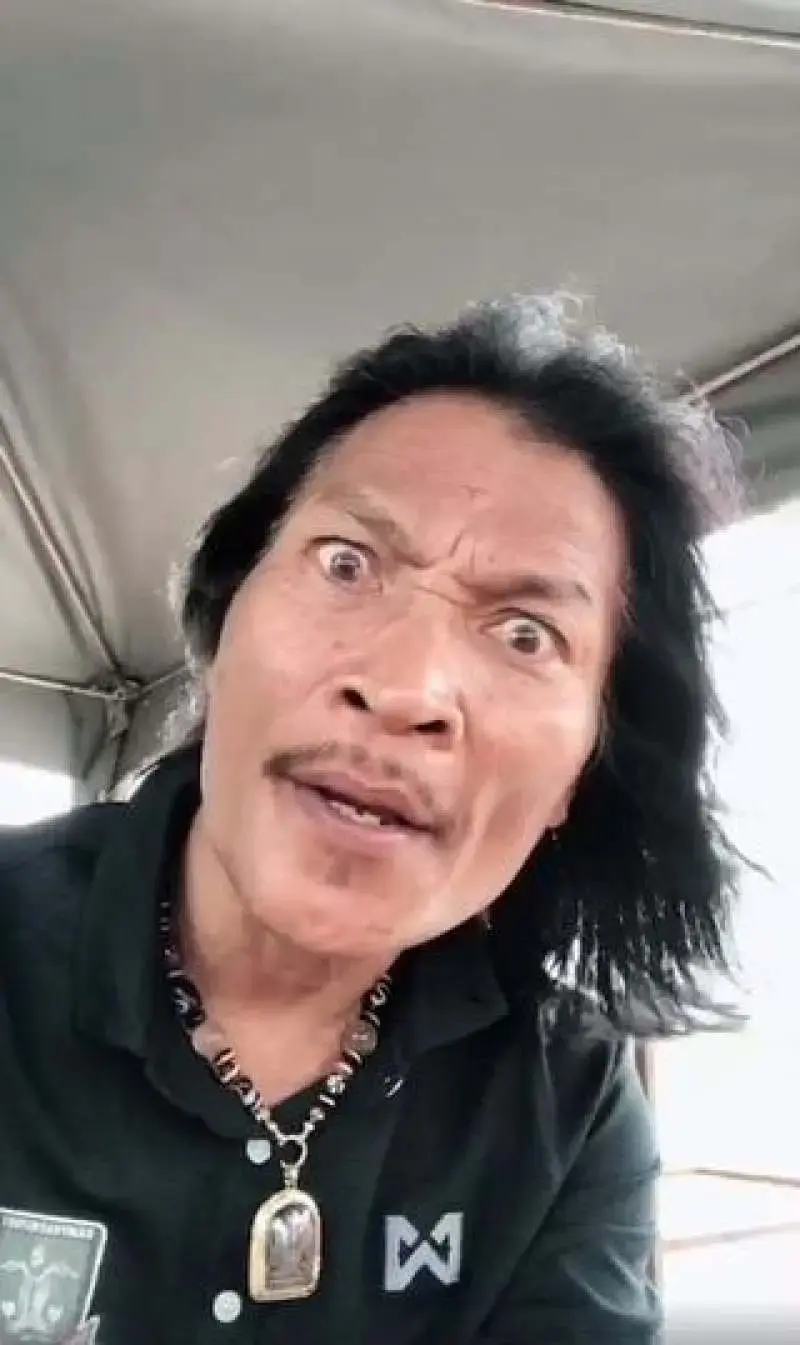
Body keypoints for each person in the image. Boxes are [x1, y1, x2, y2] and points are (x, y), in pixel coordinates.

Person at [0, 294, 744, 1344]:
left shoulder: (562, 1098)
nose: (404, 688)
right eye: (347, 562)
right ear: (224, 617)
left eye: (525, 634)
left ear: (579, 774)